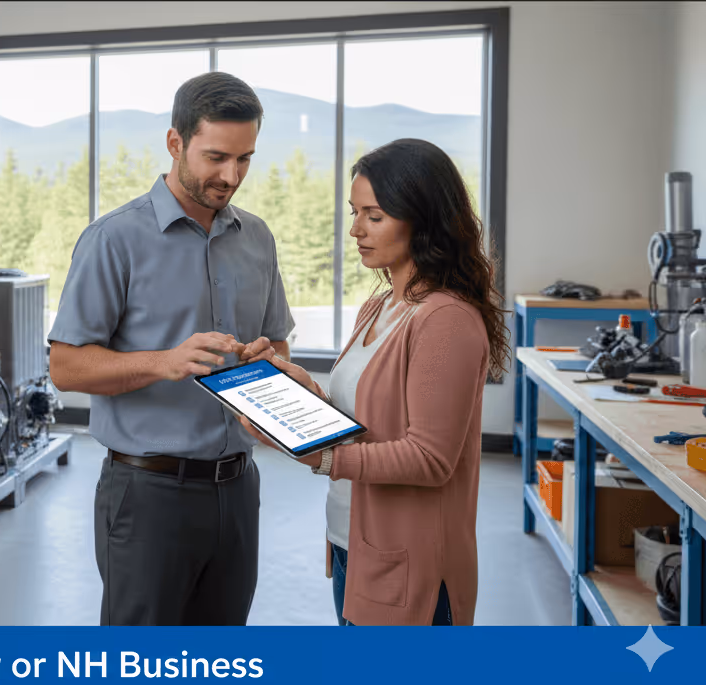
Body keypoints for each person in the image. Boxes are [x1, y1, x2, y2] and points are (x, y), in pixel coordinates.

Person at [48, 72, 295, 626]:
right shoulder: (114, 239)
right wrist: (164, 362)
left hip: (238, 489)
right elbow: (64, 367)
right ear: (175, 143)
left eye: (245, 159)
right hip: (147, 494)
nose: (231, 176)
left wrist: (268, 358)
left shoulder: (257, 237)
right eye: (216, 157)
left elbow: (277, 341)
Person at [237, 138, 508, 626]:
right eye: (355, 212)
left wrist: (319, 456)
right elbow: (368, 418)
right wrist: (297, 385)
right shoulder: (379, 306)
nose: (355, 229)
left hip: (411, 566)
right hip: (355, 545)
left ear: (422, 220)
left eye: (374, 215)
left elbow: (430, 459)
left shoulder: (445, 320)